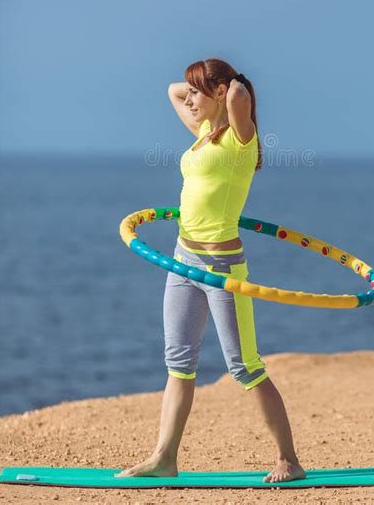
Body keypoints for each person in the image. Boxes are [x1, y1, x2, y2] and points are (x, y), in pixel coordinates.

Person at [116, 58, 306, 484]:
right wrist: (199, 87)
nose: (188, 100)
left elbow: (238, 95)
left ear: (219, 93)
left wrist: (226, 86)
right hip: (183, 260)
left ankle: (289, 459)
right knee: (178, 363)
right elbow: (171, 90)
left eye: (196, 93)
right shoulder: (203, 132)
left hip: (222, 268)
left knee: (245, 367)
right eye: (191, 94)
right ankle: (164, 457)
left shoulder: (241, 139)